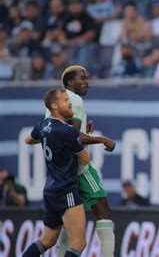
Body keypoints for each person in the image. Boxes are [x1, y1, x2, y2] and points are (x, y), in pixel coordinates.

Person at [45, 66, 116, 257]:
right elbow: (73, 134)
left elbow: (54, 132)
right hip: (78, 168)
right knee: (103, 212)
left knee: (61, 228)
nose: (87, 82)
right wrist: (102, 139)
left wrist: (84, 127)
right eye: (82, 78)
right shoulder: (73, 99)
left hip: (57, 172)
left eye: (87, 78)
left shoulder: (54, 105)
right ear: (70, 83)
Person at [23, 88, 89, 257]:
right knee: (79, 242)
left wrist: (48, 139)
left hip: (51, 190)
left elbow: (28, 140)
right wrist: (86, 136)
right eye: (65, 100)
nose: (70, 103)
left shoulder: (43, 125)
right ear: (54, 106)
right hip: (66, 189)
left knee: (48, 240)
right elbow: (84, 159)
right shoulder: (68, 131)